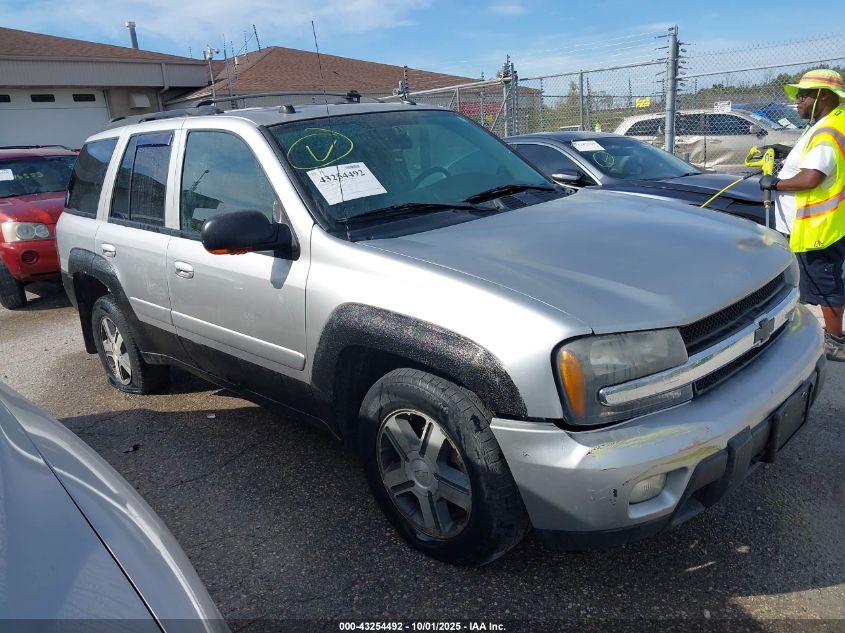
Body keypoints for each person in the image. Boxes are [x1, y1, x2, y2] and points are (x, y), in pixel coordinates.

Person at [760, 69, 845, 361]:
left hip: (819, 224)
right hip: (826, 220)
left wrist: (776, 183)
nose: (798, 101)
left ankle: (836, 341)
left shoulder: (826, 132)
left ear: (823, 96)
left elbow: (811, 179)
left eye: (804, 95)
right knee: (822, 281)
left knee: (825, 285)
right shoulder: (832, 123)